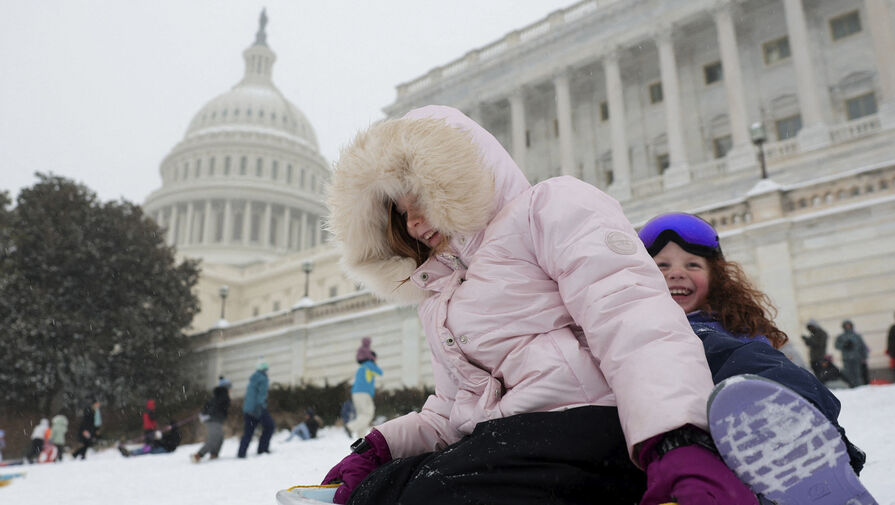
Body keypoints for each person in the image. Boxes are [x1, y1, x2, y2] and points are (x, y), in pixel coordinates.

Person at [321, 105, 755, 505]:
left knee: (433, 494)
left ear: (455, 174)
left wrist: (677, 438)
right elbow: (455, 408)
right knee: (386, 489)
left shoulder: (547, 208)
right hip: (507, 440)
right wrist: (382, 446)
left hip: (588, 425)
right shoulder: (439, 295)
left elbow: (633, 320)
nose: (413, 224)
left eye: (419, 198)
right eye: (400, 212)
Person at [638, 212, 871, 502]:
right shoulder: (639, 330)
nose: (676, 272)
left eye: (693, 264)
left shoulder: (740, 330)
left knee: (754, 361)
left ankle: (819, 458)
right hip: (684, 444)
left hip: (745, 439)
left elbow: (784, 369)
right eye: (662, 265)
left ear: (716, 277)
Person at [346, 338, 382, 438]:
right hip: (364, 393)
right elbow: (380, 372)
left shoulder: (361, 367)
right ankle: (350, 427)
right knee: (368, 413)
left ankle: (360, 439)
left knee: (362, 415)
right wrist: (373, 363)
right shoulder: (370, 365)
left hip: (356, 393)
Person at [237, 361, 274, 458]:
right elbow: (261, 397)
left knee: (248, 432)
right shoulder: (263, 379)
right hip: (258, 408)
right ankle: (262, 449)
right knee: (270, 426)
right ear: (265, 370)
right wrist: (260, 408)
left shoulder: (253, 378)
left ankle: (241, 453)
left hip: (248, 409)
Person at [192, 376, 232, 462]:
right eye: (230, 387)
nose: (231, 389)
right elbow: (214, 406)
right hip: (212, 419)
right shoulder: (223, 395)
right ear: (226, 387)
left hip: (214, 419)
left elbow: (211, 405)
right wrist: (208, 414)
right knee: (215, 438)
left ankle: (214, 454)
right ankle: (198, 455)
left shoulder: (219, 395)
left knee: (220, 437)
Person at [836, 320, 869, 387]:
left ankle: (858, 386)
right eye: (846, 325)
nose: (847, 327)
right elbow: (837, 346)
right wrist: (844, 345)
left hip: (856, 357)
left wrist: (864, 357)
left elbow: (862, 346)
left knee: (857, 373)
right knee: (848, 373)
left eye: (849, 325)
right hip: (846, 358)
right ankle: (851, 386)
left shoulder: (857, 336)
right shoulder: (841, 337)